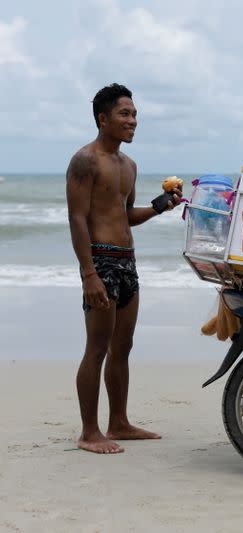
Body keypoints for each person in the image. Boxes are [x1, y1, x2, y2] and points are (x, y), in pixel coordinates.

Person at [66, 83, 182, 454]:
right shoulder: (85, 160)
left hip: (127, 263)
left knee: (123, 346)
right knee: (97, 347)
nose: (133, 121)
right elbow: (78, 219)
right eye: (124, 114)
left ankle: (118, 423)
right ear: (103, 119)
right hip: (100, 260)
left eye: (134, 114)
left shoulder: (129, 165)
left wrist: (160, 207)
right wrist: (89, 274)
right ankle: (89, 432)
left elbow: (126, 215)